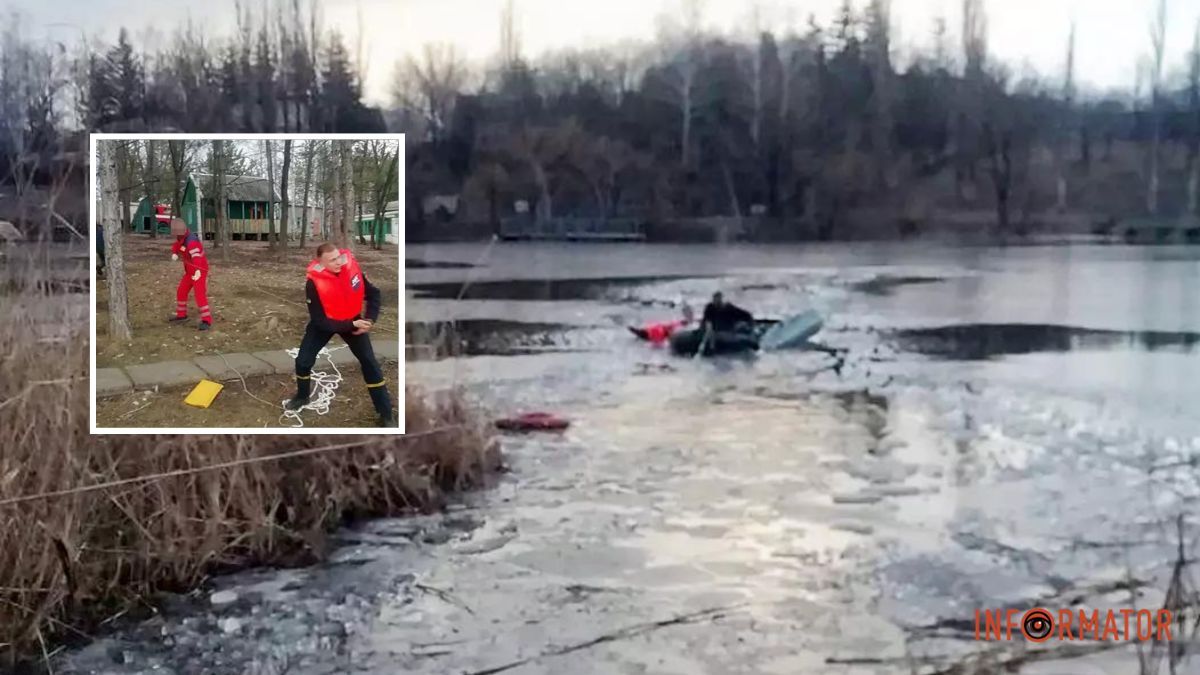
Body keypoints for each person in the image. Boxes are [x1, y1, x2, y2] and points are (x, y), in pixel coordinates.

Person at [286, 242, 395, 427]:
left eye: (339, 257)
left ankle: (386, 414)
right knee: (303, 361)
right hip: (325, 325)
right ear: (320, 262)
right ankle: (302, 396)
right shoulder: (313, 284)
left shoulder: (352, 270)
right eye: (332, 260)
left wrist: (370, 319)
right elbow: (320, 321)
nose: (339, 262)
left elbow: (374, 294)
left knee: (370, 363)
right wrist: (349, 324)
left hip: (354, 322)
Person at [168, 218, 212, 330]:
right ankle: (181, 316)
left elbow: (197, 258)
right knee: (181, 291)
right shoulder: (181, 238)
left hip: (199, 271)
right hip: (189, 272)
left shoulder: (192, 242)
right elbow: (177, 246)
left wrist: (197, 272)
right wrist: (174, 253)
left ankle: (207, 321)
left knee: (199, 294)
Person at [629, 304, 695, 345]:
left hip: (653, 333)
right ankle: (637, 333)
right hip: (652, 334)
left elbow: (673, 326)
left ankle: (637, 333)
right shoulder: (665, 334)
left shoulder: (667, 331)